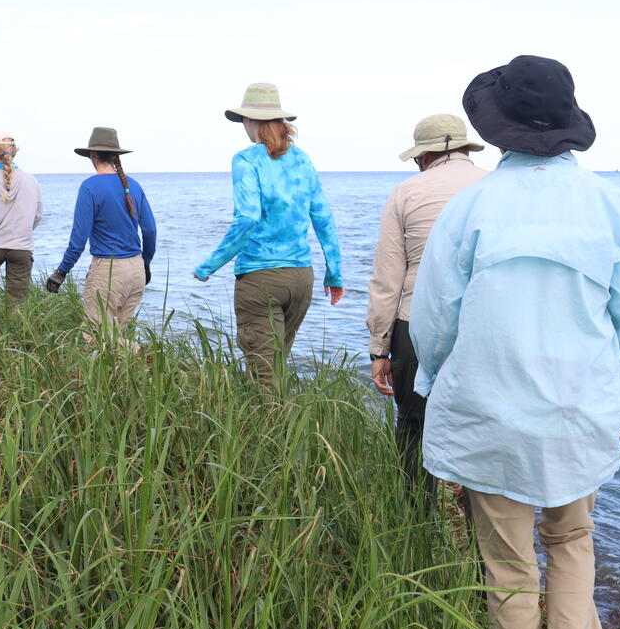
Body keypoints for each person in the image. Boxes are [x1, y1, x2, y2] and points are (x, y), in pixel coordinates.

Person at [410, 55, 620, 629]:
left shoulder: (471, 207)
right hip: (581, 414)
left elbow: (434, 320)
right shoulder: (611, 206)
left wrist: (434, 387)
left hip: (491, 416)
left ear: (501, 130)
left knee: (509, 573)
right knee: (573, 537)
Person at [366, 113, 487, 497]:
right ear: (467, 149)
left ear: (423, 157)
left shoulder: (406, 192)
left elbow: (388, 278)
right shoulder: (494, 186)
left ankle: (415, 524)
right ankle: (480, 536)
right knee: (480, 432)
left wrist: (379, 349)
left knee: (414, 426)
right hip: (484, 325)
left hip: (415, 323)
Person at [193, 83, 344, 386]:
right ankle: (281, 429)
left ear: (251, 121)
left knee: (264, 379)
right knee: (276, 367)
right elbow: (323, 217)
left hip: (261, 278)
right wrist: (334, 273)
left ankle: (270, 431)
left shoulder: (246, 160)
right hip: (302, 278)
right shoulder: (302, 159)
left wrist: (209, 265)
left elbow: (247, 218)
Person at [45, 127, 157, 337]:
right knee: (117, 336)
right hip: (136, 271)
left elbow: (78, 240)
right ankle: (138, 361)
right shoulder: (133, 185)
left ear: (92, 155)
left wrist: (61, 272)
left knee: (95, 338)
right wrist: (147, 263)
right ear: (116, 155)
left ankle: (140, 353)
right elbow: (150, 230)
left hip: (109, 270)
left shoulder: (90, 188)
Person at [0, 133, 42, 302]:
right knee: (17, 301)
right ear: (14, 153)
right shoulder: (31, 181)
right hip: (21, 247)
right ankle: (15, 327)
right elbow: (38, 215)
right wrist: (23, 229)